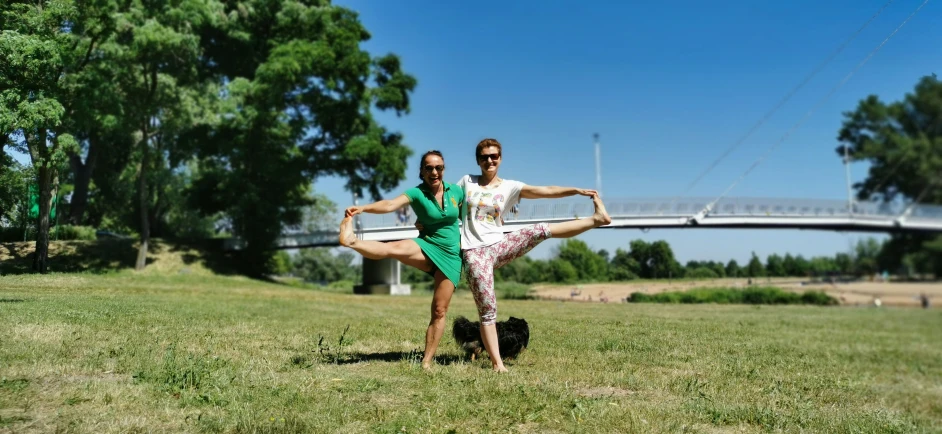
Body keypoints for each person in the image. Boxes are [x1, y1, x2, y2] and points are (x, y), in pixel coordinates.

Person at [458, 138, 611, 372]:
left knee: (541, 229)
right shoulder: (466, 182)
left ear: (500, 158)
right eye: (484, 157)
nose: (489, 160)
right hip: (474, 251)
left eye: (494, 156)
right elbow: (444, 203)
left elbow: (545, 191)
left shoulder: (509, 187)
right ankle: (497, 363)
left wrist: (575, 191)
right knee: (488, 309)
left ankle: (597, 220)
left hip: (498, 245)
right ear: (478, 160)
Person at [339, 150, 464, 370]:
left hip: (452, 255)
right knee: (392, 248)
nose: (434, 172)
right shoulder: (416, 193)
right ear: (422, 171)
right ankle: (351, 241)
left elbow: (470, 215)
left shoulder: (457, 191)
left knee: (439, 310)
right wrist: (363, 208)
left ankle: (426, 361)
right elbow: (389, 205)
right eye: (429, 168)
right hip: (427, 245)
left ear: (444, 169)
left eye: (439, 167)